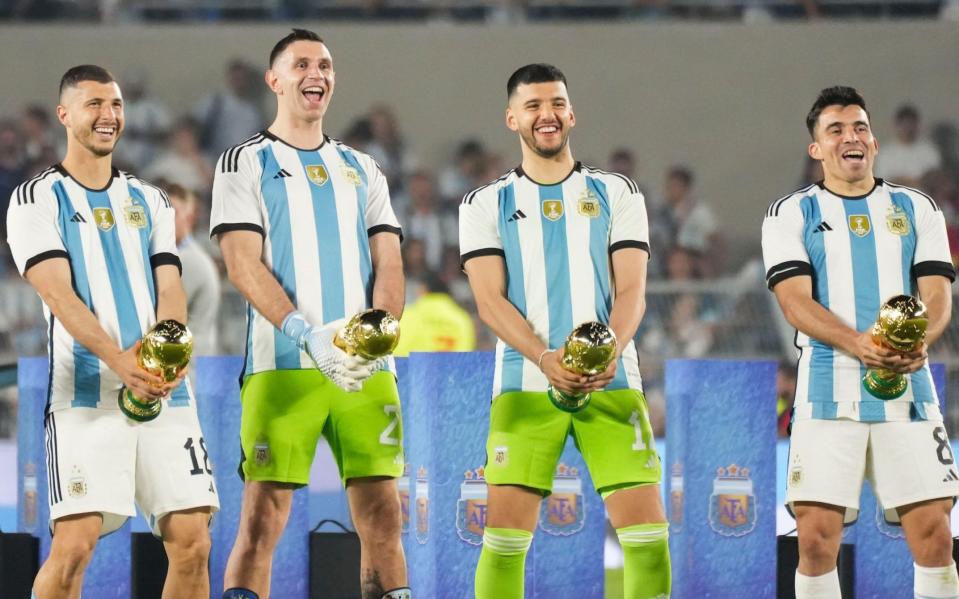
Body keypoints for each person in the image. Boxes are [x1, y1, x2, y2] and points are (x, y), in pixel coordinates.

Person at [5, 65, 218, 599]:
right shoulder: (36, 199)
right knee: (74, 547)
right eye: (95, 104)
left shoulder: (152, 201)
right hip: (85, 396)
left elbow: (171, 287)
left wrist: (168, 352)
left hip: (161, 393)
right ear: (64, 115)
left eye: (117, 104)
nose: (109, 115)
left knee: (193, 541)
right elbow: (57, 292)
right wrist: (121, 362)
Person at [459, 63, 669, 599]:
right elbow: (489, 300)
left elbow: (632, 293)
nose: (545, 115)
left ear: (571, 113)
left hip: (613, 384)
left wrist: (605, 356)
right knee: (504, 543)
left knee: (647, 541)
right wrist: (544, 357)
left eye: (555, 103)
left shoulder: (616, 192)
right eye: (532, 106)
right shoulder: (486, 203)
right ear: (512, 119)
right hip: (524, 387)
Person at [210, 29, 408, 599]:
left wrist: (373, 341)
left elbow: (389, 264)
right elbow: (241, 264)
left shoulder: (362, 168)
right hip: (282, 370)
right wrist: (308, 334)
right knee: (261, 523)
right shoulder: (244, 161)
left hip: (363, 375)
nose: (314, 73)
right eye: (300, 64)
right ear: (274, 81)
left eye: (324, 64)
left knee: (385, 520)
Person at [762, 85, 959, 599]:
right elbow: (794, 303)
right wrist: (857, 343)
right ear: (817, 149)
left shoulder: (916, 208)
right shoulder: (791, 213)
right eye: (836, 130)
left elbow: (937, 296)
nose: (851, 137)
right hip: (828, 390)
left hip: (908, 391)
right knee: (815, 542)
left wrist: (921, 341)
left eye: (860, 128)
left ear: (873, 142)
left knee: (936, 535)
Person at [166, 183, 221, 356]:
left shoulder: (189, 261)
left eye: (174, 213)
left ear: (189, 218)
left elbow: (162, 315)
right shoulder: (177, 257)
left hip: (189, 368)